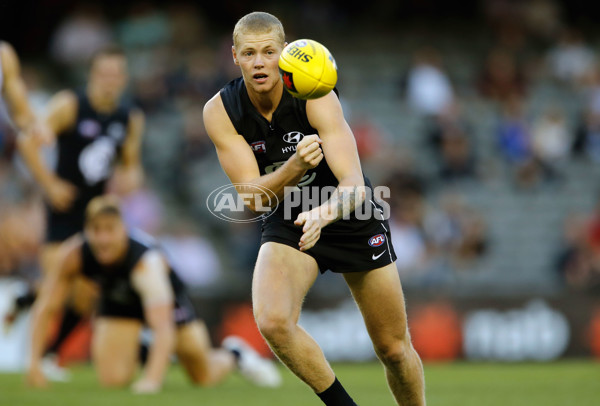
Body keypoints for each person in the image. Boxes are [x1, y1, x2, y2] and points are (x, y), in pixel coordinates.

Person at [203, 11, 425, 406]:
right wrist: (294, 167)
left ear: (283, 52)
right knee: (272, 321)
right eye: (249, 53)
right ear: (234, 57)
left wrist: (325, 214)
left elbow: (354, 184)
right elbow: (253, 198)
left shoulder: (314, 92)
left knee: (393, 348)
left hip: (348, 212)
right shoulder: (220, 111)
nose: (259, 62)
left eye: (269, 52)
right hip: (290, 216)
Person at [26, 195, 281, 393]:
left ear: (123, 229)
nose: (102, 238)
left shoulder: (145, 262)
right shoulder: (74, 254)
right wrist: (35, 364)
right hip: (120, 302)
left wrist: (151, 380)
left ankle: (233, 355)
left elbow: (162, 325)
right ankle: (144, 349)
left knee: (202, 376)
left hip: (168, 305)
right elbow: (46, 307)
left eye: (109, 229)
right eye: (96, 230)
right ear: (87, 230)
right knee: (112, 380)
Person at [13, 45, 144, 378]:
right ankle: (35, 358)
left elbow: (131, 165)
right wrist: (50, 185)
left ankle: (48, 349)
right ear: (93, 75)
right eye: (104, 73)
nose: (110, 81)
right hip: (64, 208)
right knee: (59, 284)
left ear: (124, 78)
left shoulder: (129, 118)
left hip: (96, 216)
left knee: (85, 297)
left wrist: (130, 179)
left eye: (116, 74)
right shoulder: (70, 105)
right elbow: (29, 141)